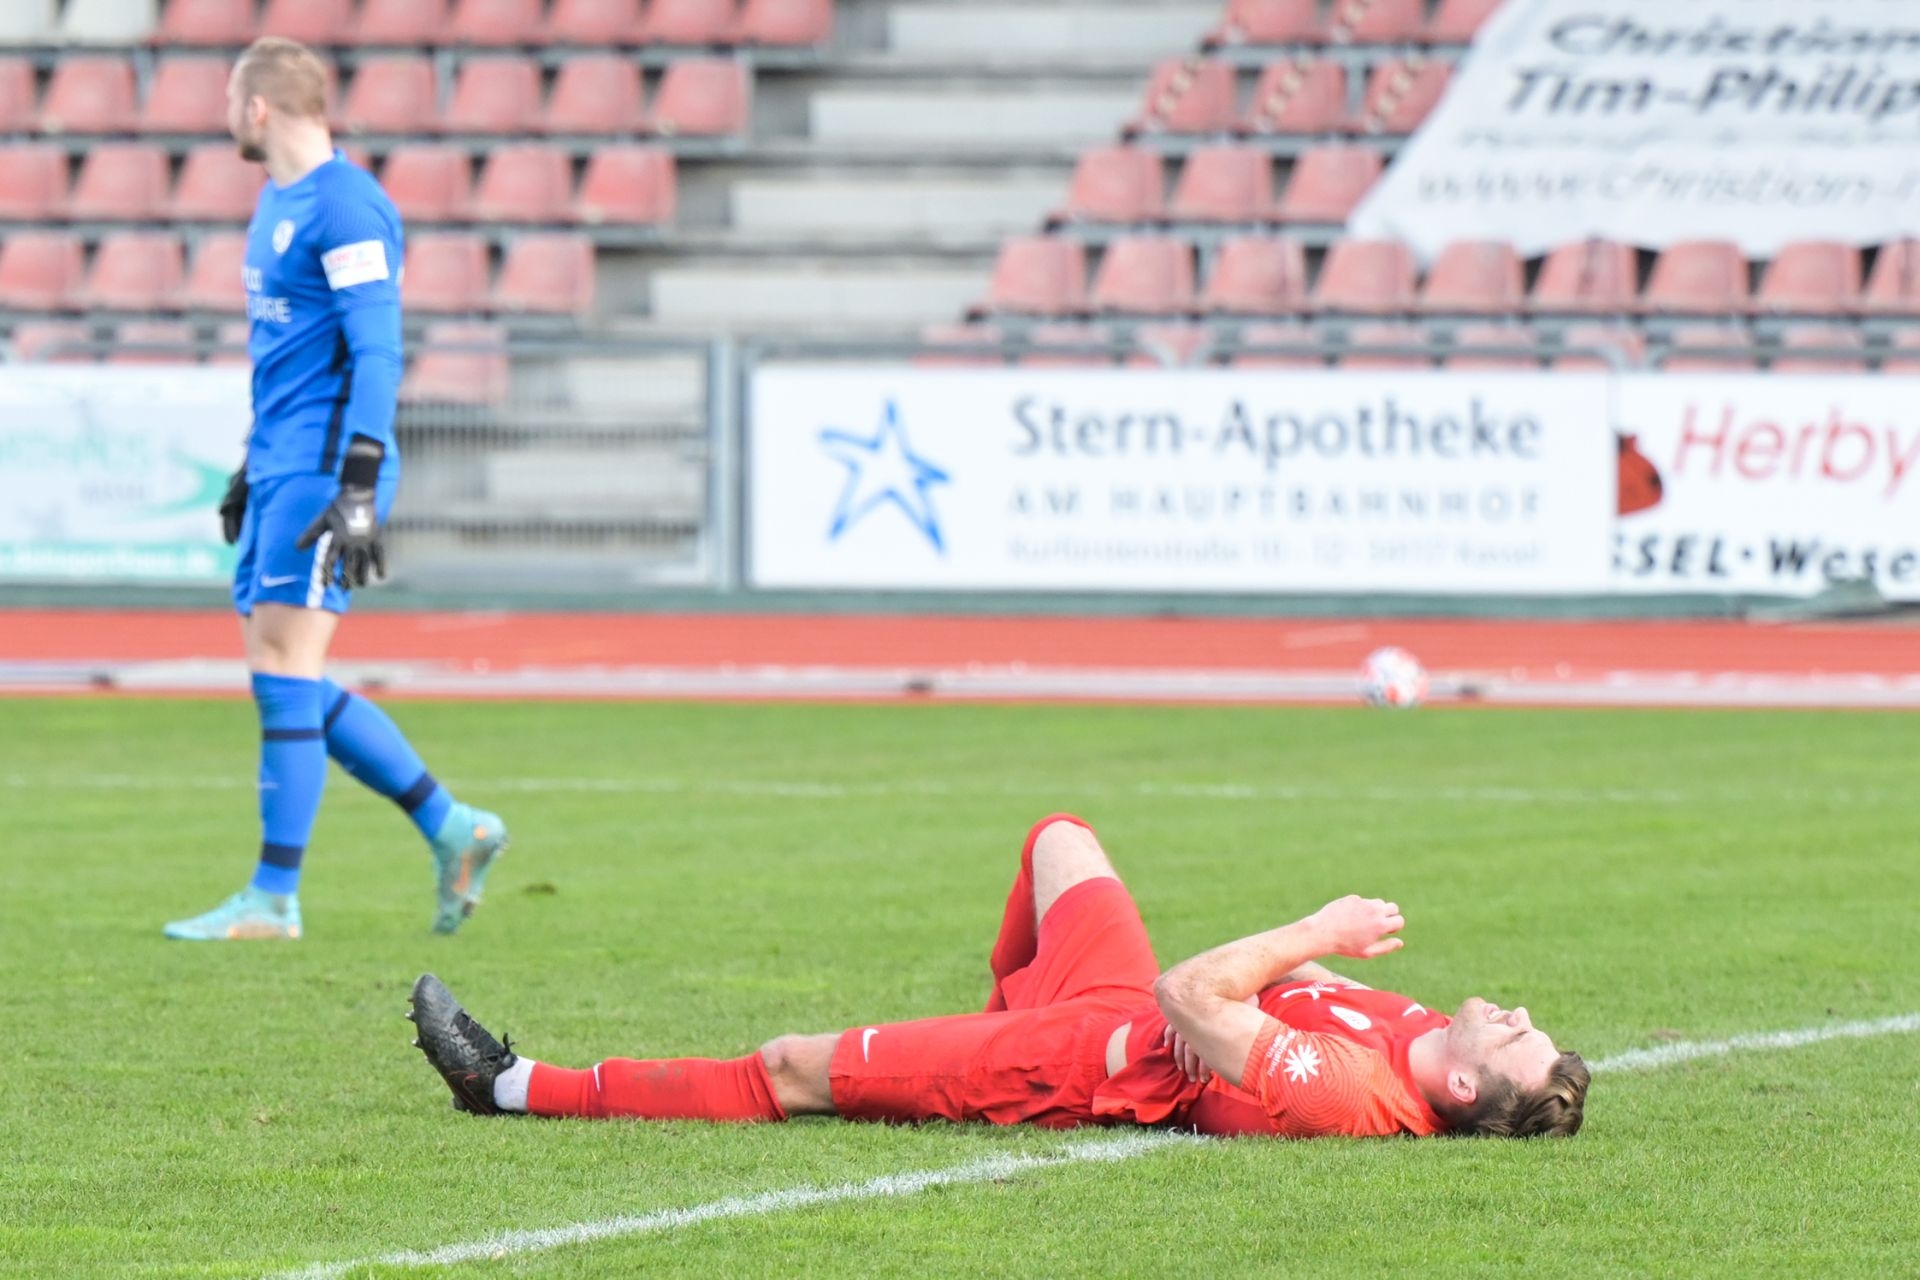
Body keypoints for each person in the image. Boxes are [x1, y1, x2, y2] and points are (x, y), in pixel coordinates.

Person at [411, 815, 1588, 1138]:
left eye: (1513, 1038)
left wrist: (1314, 923)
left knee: (790, 1068)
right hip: (1113, 1007)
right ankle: (982, 1033)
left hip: (1098, 1057)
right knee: (1059, 838)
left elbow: (1191, 996)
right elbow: (1269, 985)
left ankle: (509, 1084)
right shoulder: (1421, 1028)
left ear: (1461, 1090)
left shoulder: (1356, 1092)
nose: (1516, 1012)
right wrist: (1299, 953)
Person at [163, 38, 506, 941]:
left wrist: (356, 481)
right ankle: (454, 827)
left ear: (258, 108)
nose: (226, 117)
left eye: (230, 101)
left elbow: (379, 351)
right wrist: (253, 460)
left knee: (285, 672)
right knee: (283, 674)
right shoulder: (277, 201)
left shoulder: (348, 205)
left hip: (326, 470)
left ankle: (274, 899)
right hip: (282, 463)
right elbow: (288, 354)